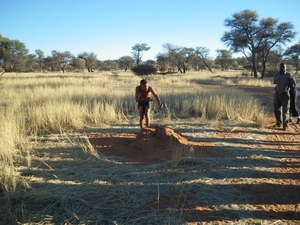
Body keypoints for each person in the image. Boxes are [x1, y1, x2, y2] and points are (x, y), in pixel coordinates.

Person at [274, 63, 296, 130]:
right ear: (279, 67)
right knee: (276, 109)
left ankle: (285, 125)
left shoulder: (289, 75)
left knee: (285, 111)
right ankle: (278, 122)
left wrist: (288, 89)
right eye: (281, 67)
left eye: (283, 67)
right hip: (277, 94)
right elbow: (275, 83)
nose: (282, 68)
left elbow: (293, 85)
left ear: (285, 67)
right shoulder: (276, 75)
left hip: (285, 95)